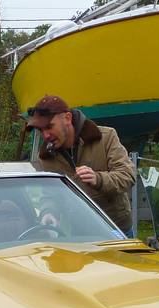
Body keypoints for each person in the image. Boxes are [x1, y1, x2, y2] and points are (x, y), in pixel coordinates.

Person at [26, 95, 135, 236]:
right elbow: (50, 194)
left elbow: (127, 175)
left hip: (116, 230)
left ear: (67, 118)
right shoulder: (46, 157)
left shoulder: (106, 137)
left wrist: (98, 179)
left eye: (49, 127)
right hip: (80, 235)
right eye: (41, 130)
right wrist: (48, 212)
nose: (46, 136)